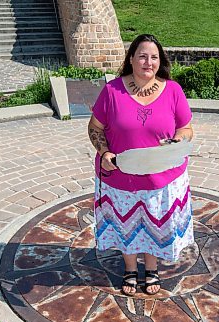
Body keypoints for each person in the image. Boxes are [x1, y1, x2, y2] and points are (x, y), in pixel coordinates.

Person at [88, 34, 194, 296]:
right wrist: (104, 152)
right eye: (143, 56)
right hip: (121, 176)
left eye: (154, 57)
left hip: (162, 177)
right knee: (127, 225)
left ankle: (152, 268)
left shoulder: (173, 90)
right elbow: (94, 127)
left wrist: (178, 140)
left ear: (160, 61)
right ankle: (130, 269)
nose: (149, 62)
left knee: (154, 224)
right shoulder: (112, 91)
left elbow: (187, 127)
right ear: (132, 59)